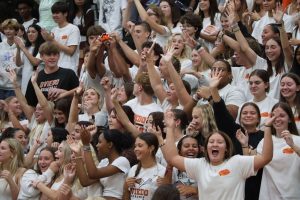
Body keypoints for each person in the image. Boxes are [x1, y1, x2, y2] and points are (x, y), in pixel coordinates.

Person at [161, 109, 273, 200]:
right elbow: (172, 158)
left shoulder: (237, 162)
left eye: (220, 142)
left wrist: (268, 128)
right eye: (211, 142)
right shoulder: (199, 164)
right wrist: (170, 128)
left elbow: (266, 158)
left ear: (226, 148)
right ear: (206, 148)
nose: (215, 144)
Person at [255, 102, 300, 199]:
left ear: (289, 119)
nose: (277, 119)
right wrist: (245, 145)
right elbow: (256, 164)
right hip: (268, 196)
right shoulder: (265, 141)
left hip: (292, 195)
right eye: (273, 116)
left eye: (282, 116)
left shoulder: (297, 140)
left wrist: (292, 145)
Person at [74, 128, 132, 199]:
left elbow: (93, 174)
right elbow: (85, 182)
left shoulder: (122, 161)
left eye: (100, 142)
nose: (97, 145)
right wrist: (77, 155)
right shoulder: (104, 162)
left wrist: (86, 145)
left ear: (110, 144)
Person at [25, 41, 79, 107]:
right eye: (48, 54)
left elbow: (80, 94)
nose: (52, 57)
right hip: (43, 115)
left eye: (55, 54)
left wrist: (63, 92)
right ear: (41, 56)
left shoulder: (69, 73)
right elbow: (30, 104)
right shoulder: (35, 78)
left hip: (64, 114)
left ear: (59, 56)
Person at [123, 132, 166, 200]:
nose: (135, 149)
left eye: (140, 146)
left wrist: (164, 188)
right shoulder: (133, 169)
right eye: (135, 146)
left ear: (151, 148)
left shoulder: (162, 171)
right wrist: (126, 187)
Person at [41, 1, 81, 73]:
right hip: (54, 68)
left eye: (57, 13)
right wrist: (47, 40)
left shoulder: (73, 29)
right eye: (53, 13)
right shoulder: (54, 30)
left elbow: (71, 51)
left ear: (65, 13)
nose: (54, 15)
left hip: (69, 69)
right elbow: (51, 50)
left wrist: (51, 40)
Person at [15, 24, 44, 94]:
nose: (30, 34)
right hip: (25, 80)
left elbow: (35, 62)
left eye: (33, 32)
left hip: (37, 80)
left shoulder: (43, 47)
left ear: (39, 34)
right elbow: (18, 63)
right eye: (28, 32)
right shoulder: (27, 47)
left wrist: (22, 47)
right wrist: (18, 49)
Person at [0, 19, 20, 100]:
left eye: (11, 29)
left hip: (15, 86)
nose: (8, 31)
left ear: (16, 31)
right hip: (1, 86)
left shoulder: (22, 45)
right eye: (6, 29)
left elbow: (21, 64)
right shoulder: (0, 45)